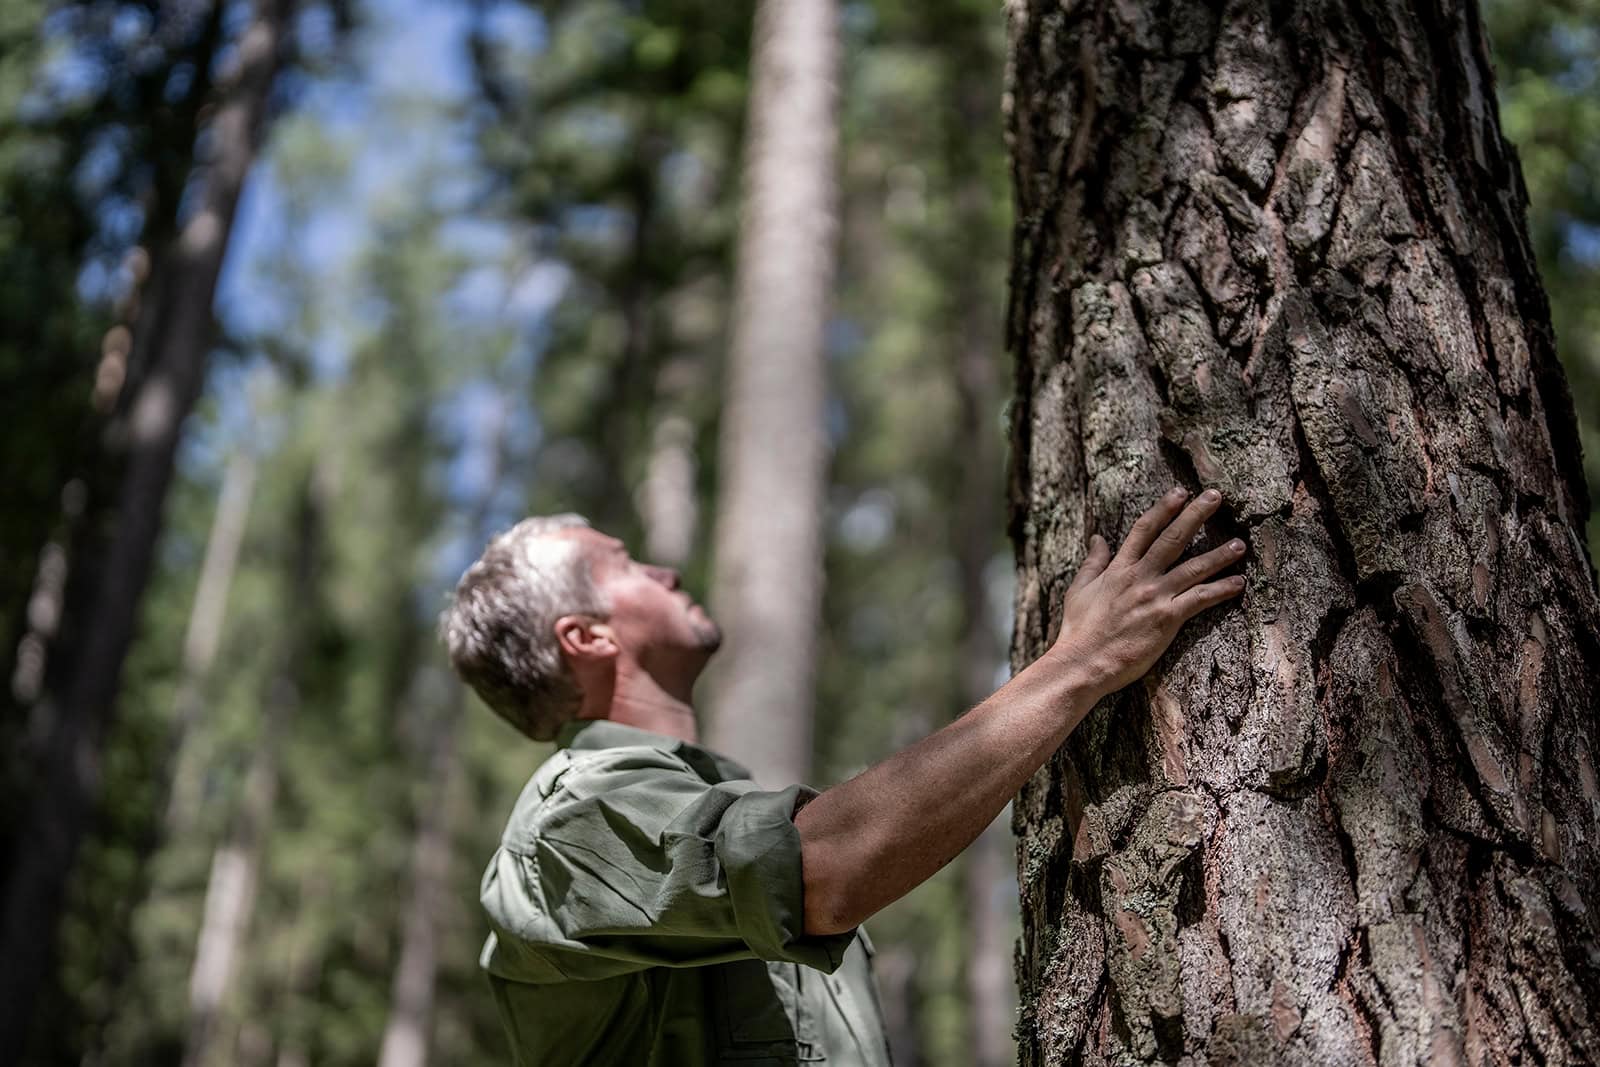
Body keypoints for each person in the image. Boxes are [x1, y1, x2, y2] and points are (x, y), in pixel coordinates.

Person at [440, 486, 1247, 1065]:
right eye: (624, 565)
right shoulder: (571, 819)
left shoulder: (694, 799)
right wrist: (1083, 662)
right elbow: (822, 870)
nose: (663, 570)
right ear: (584, 637)